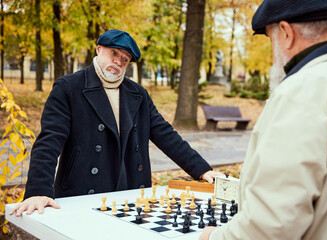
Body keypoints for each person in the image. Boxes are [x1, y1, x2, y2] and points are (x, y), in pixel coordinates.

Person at [10, 29, 222, 217]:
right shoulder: (69, 87)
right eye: (114, 53)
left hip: (129, 189)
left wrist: (202, 170)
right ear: (99, 49)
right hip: (82, 190)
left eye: (125, 59)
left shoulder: (138, 94)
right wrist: (39, 190)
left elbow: (166, 135)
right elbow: (49, 140)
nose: (118, 62)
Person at [200, 0, 327, 239]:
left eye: (270, 38)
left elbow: (272, 225)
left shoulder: (302, 91)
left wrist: (211, 237)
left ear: (286, 33)